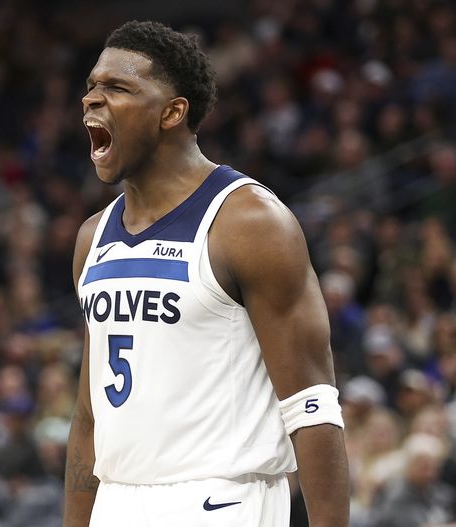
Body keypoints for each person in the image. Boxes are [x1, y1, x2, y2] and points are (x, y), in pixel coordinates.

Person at [64, 20, 349, 527]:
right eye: (90, 86)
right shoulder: (92, 238)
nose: (91, 99)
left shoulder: (249, 222)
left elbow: (312, 406)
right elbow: (89, 419)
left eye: (117, 87)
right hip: (117, 498)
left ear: (172, 112)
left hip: (222, 501)